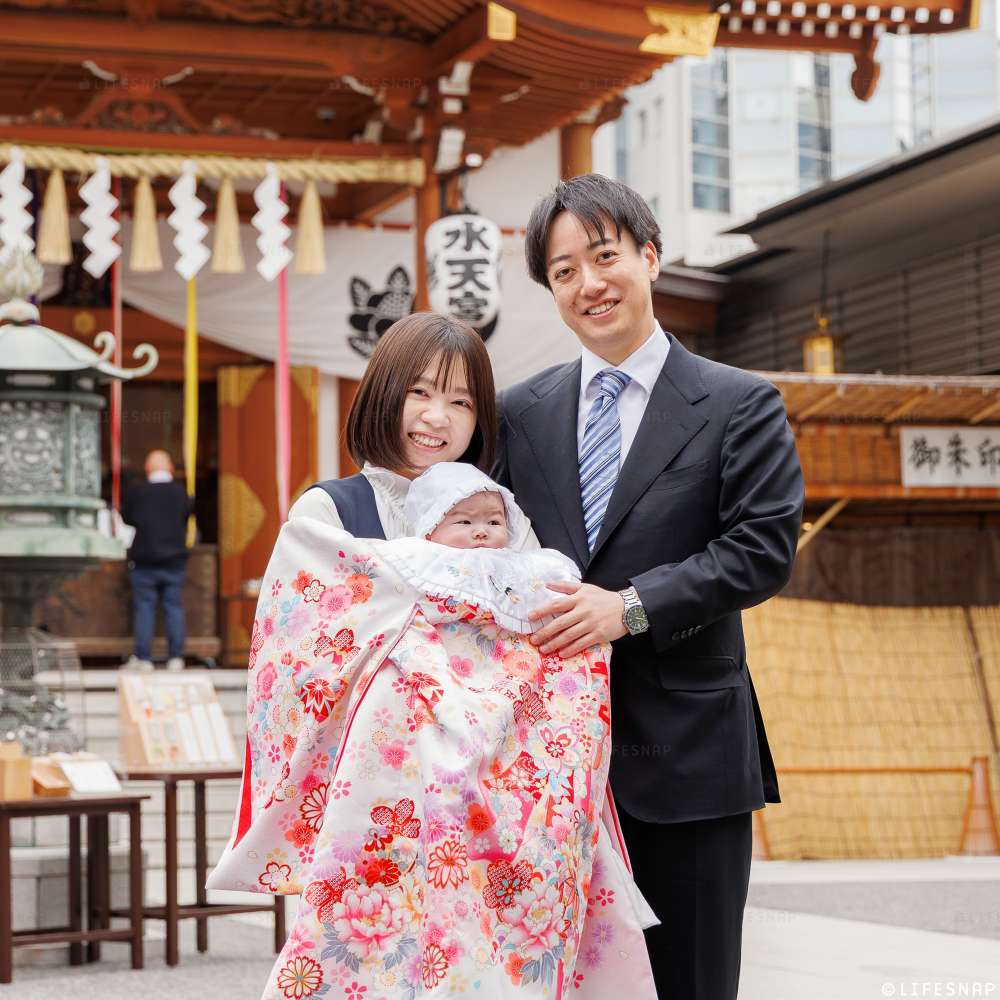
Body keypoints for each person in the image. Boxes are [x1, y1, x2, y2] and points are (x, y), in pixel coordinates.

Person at [494, 173, 805, 1000]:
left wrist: (628, 608)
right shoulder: (517, 414)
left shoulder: (740, 404)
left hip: (687, 756)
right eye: (563, 272)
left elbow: (762, 548)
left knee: (692, 983)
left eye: (603, 256)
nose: (587, 284)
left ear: (650, 257)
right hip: (548, 764)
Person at [209, 461, 658, 998]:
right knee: (387, 896)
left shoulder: (537, 568)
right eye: (462, 521)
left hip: (525, 744)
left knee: (529, 880)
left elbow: (560, 628)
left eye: (492, 521)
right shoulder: (404, 559)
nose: (480, 533)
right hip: (411, 752)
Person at [288, 312, 497, 539]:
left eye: (460, 402)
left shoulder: (501, 514)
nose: (437, 418)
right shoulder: (324, 510)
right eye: (419, 392)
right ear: (381, 394)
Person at [121, 449, 191, 671]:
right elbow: (187, 515)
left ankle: (143, 658)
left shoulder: (138, 493)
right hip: (174, 560)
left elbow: (127, 518)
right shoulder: (182, 494)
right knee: (173, 607)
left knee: (144, 607)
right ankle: (176, 657)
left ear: (147, 469)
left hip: (145, 560)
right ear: (170, 468)